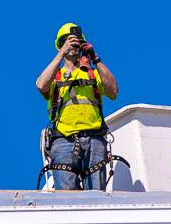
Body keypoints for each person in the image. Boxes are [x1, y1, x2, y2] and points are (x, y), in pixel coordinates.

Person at [36, 22, 119, 190]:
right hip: (63, 140)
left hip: (95, 139)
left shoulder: (92, 73)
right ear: (60, 45)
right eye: (67, 40)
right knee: (67, 200)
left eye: (76, 41)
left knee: (96, 197)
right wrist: (61, 54)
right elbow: (41, 85)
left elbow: (113, 91)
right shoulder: (56, 76)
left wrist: (95, 58)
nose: (72, 44)